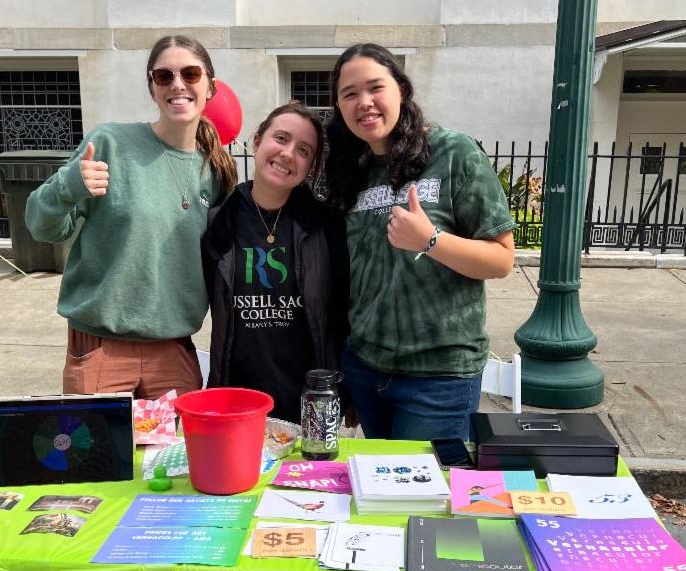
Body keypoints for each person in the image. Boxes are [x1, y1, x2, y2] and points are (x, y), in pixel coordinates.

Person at [26, 35, 237, 399]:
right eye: (164, 76)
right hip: (101, 347)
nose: (177, 84)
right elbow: (41, 227)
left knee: (176, 441)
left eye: (190, 74)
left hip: (173, 350)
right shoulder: (110, 144)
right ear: (152, 87)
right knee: (97, 440)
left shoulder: (215, 171)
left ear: (210, 87)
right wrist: (67, 186)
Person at [325, 43, 516, 441]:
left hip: (438, 376)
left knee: (424, 484)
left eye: (375, 87)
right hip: (365, 368)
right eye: (350, 93)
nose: (364, 102)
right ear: (339, 107)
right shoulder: (352, 169)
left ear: (401, 89)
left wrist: (431, 240)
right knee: (379, 482)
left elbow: (501, 260)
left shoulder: (453, 153)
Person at [202, 102, 348, 424]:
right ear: (257, 141)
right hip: (237, 399)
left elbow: (342, 314)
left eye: (304, 150)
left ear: (310, 166)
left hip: (309, 402)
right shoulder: (218, 221)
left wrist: (345, 391)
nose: (288, 153)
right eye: (281, 138)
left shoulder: (326, 227)